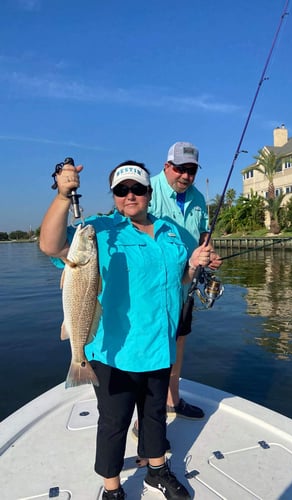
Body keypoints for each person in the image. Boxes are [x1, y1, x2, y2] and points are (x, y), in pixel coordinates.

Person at [39, 160, 213, 500]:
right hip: (114, 350)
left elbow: (179, 280)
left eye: (136, 189)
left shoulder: (169, 231)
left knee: (154, 415)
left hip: (159, 344)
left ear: (149, 192)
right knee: (114, 422)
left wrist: (193, 266)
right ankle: (112, 488)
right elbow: (51, 246)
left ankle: (157, 472)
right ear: (114, 196)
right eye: (121, 190)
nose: (129, 196)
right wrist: (63, 196)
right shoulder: (99, 230)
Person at [132, 142, 221, 442]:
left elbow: (203, 232)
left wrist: (209, 252)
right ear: (167, 165)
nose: (185, 176)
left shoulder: (197, 197)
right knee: (150, 349)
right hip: (153, 287)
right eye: (180, 168)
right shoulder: (148, 189)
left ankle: (173, 399)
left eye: (191, 170)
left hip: (186, 283)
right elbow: (130, 228)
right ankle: (141, 419)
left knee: (178, 342)